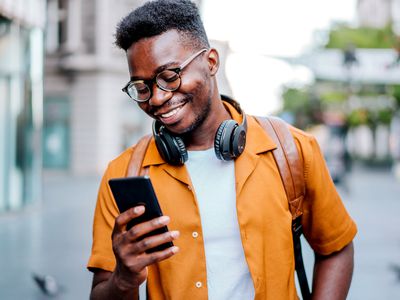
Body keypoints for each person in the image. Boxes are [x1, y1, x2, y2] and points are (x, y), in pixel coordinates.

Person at [87, 0, 357, 299]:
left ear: (211, 62)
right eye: (142, 87)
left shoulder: (292, 150)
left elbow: (336, 248)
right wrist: (124, 279)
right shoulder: (123, 174)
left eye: (170, 77)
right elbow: (102, 290)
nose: (157, 98)